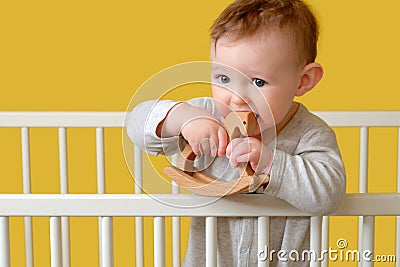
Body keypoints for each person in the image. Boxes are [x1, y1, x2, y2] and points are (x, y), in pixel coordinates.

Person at [127, 0, 346, 265]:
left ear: (303, 80)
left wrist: (270, 163)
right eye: (224, 79)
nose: (237, 98)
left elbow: (330, 195)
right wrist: (182, 118)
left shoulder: (310, 134)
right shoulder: (206, 115)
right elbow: (137, 123)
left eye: (258, 82)